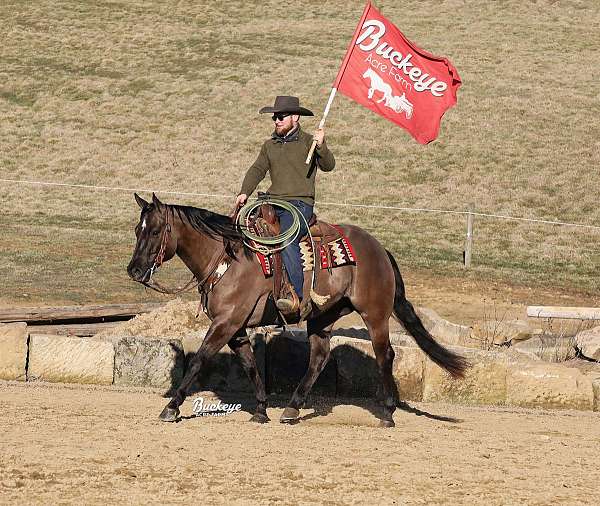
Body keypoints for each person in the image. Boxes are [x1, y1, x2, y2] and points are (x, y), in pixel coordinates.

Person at [235, 95, 336, 317]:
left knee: (287, 237)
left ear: (295, 117)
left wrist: (321, 146)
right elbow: (257, 170)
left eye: (281, 117)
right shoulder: (269, 145)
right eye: (275, 117)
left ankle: (296, 296)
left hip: (299, 204)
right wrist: (244, 192)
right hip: (272, 202)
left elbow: (329, 165)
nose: (276, 121)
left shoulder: (309, 142)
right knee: (243, 230)